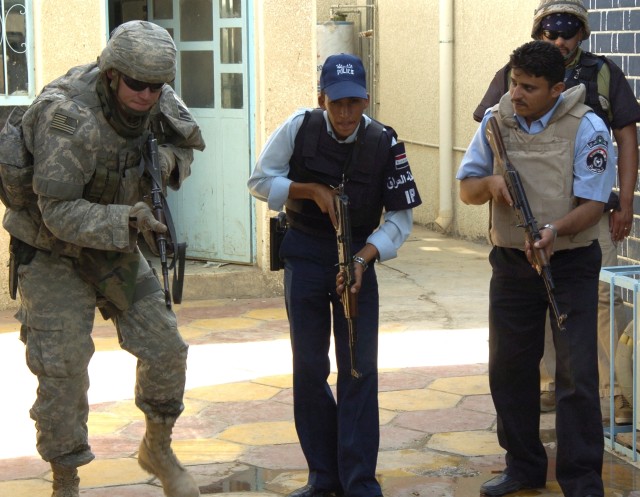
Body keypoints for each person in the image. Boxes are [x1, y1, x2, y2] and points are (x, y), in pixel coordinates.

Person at [1, 21, 205, 497]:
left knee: (166, 349)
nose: (148, 94)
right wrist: (128, 221)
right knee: (63, 368)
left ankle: (158, 447)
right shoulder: (66, 116)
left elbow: (186, 145)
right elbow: (57, 212)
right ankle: (65, 480)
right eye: (138, 84)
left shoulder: (155, 95)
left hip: (113, 248)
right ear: (112, 74)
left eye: (157, 86)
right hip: (53, 252)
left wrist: (166, 165)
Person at [248, 53, 422, 497]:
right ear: (321, 98)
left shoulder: (385, 141)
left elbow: (400, 219)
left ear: (366, 100)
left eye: (354, 103)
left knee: (358, 369)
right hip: (305, 253)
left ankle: (359, 480)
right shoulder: (300, 127)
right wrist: (308, 190)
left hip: (359, 258)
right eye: (336, 103)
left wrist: (363, 259)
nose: (345, 113)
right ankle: (323, 476)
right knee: (309, 368)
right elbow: (260, 181)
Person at [457, 40, 615, 496]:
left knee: (576, 374)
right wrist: (490, 183)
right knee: (509, 370)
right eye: (514, 83)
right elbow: (467, 188)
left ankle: (582, 479)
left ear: (557, 89)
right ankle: (523, 467)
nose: (517, 95)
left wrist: (553, 231)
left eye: (529, 87)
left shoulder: (587, 128)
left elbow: (594, 204)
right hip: (511, 262)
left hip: (569, 263)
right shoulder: (495, 121)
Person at [473, 0, 640, 423]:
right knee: (535, 308)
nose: (560, 39)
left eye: (568, 32)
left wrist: (624, 201)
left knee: (600, 301)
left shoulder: (603, 73)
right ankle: (549, 385)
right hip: (526, 223)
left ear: (582, 34)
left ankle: (618, 394)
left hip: (587, 216)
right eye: (550, 32)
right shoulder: (517, 74)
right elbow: (489, 131)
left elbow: (626, 138)